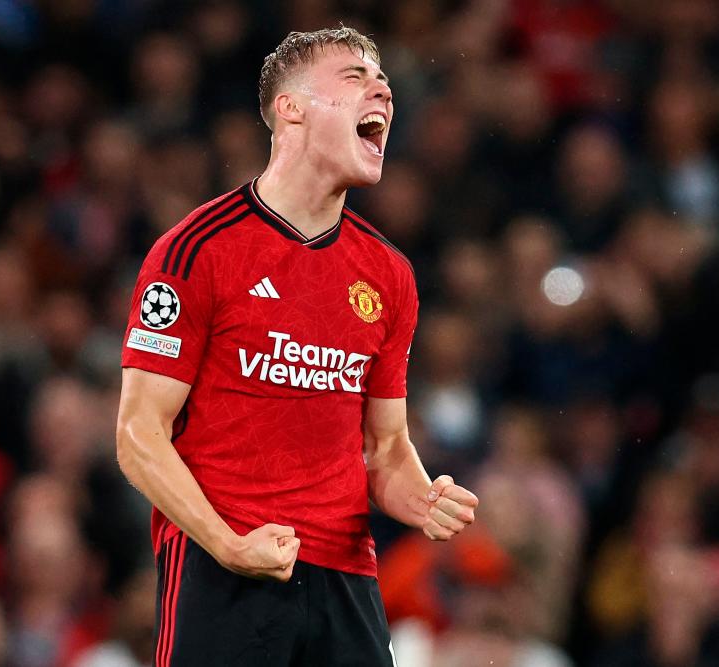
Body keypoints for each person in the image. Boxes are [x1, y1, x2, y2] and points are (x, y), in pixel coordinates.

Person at [115, 27, 478, 666]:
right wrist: (229, 544)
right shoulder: (197, 250)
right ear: (292, 108)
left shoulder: (389, 274)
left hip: (346, 576)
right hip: (224, 566)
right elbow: (139, 432)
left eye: (385, 80)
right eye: (356, 77)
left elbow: (386, 446)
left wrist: (420, 497)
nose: (384, 91)